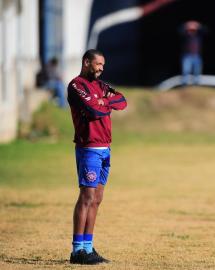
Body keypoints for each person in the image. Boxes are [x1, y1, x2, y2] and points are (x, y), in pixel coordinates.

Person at [67, 49, 127, 265]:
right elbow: (94, 112)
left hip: (105, 149)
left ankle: (88, 247)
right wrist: (102, 104)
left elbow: (122, 101)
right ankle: (77, 251)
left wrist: (103, 101)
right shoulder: (76, 85)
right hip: (89, 148)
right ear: (86, 63)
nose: (102, 68)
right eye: (98, 64)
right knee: (87, 197)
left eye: (103, 64)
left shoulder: (101, 86)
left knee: (97, 199)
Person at [179, 20, 205, 85]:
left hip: (197, 55)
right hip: (187, 56)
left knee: (197, 71)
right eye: (190, 30)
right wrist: (186, 25)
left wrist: (198, 25)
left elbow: (205, 30)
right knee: (186, 70)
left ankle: (196, 83)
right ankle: (184, 83)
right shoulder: (185, 36)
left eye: (193, 30)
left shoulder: (198, 36)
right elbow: (180, 30)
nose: (192, 31)